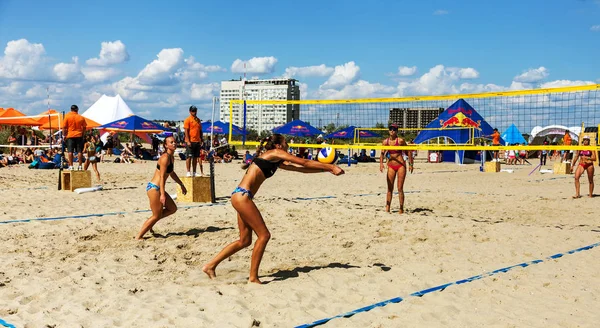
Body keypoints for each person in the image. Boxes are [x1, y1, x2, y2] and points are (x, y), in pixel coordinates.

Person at [202, 134, 345, 284]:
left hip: (241, 196)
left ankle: (210, 266)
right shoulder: (275, 153)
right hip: (242, 197)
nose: (288, 145)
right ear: (278, 145)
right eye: (285, 143)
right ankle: (253, 278)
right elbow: (304, 161)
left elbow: (300, 169)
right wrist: (330, 166)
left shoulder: (275, 159)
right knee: (264, 236)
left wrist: (326, 170)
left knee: (244, 241)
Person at [136, 136, 187, 239]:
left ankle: (151, 223)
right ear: (166, 145)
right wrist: (162, 195)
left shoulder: (171, 157)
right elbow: (162, 177)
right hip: (154, 188)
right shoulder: (165, 158)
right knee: (156, 215)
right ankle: (139, 237)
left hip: (158, 188)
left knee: (172, 208)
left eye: (175, 142)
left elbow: (171, 173)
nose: (174, 144)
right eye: (171, 142)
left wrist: (181, 184)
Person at [380, 124, 413, 214]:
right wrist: (381, 164)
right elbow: (382, 153)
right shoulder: (385, 142)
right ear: (388, 130)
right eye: (391, 129)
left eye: (394, 129)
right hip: (391, 165)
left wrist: (411, 164)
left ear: (397, 131)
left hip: (401, 165)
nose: (392, 130)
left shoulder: (401, 141)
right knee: (389, 188)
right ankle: (387, 208)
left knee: (400, 188)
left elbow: (408, 152)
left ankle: (401, 208)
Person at [62, 105, 87, 170]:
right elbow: (84, 127)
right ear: (77, 110)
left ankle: (71, 166)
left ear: (71, 109)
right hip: (79, 135)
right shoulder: (81, 117)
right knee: (79, 151)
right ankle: (80, 165)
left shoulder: (67, 117)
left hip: (70, 135)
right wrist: (83, 134)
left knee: (70, 151)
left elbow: (64, 127)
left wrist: (64, 135)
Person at [184, 105, 203, 177]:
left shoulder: (198, 120)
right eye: (193, 111)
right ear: (190, 112)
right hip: (190, 141)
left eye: (195, 111)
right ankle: (188, 171)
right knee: (189, 156)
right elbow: (186, 131)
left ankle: (194, 171)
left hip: (197, 141)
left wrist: (201, 139)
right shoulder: (187, 120)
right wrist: (188, 141)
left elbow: (200, 130)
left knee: (195, 157)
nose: (194, 112)